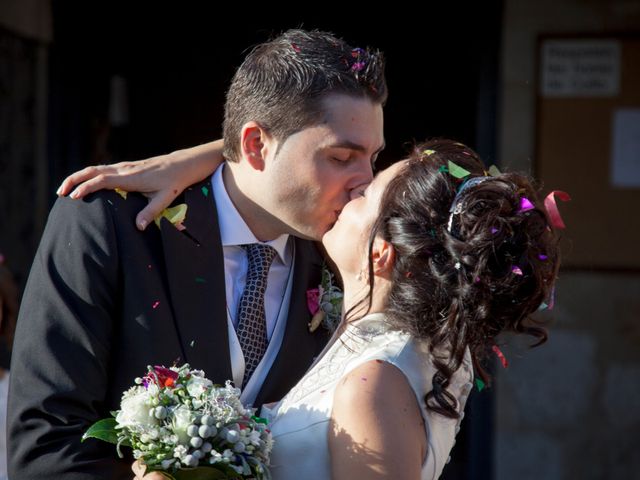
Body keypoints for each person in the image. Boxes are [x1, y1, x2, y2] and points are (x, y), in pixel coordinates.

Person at [8, 29, 387, 479]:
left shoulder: (353, 255)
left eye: (373, 158)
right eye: (342, 157)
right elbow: (45, 444)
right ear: (255, 145)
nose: (365, 181)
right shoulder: (109, 224)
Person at [64, 140, 560, 479]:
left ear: (382, 253)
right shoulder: (366, 337)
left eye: (365, 193)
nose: (349, 188)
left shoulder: (378, 380)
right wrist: (198, 159)